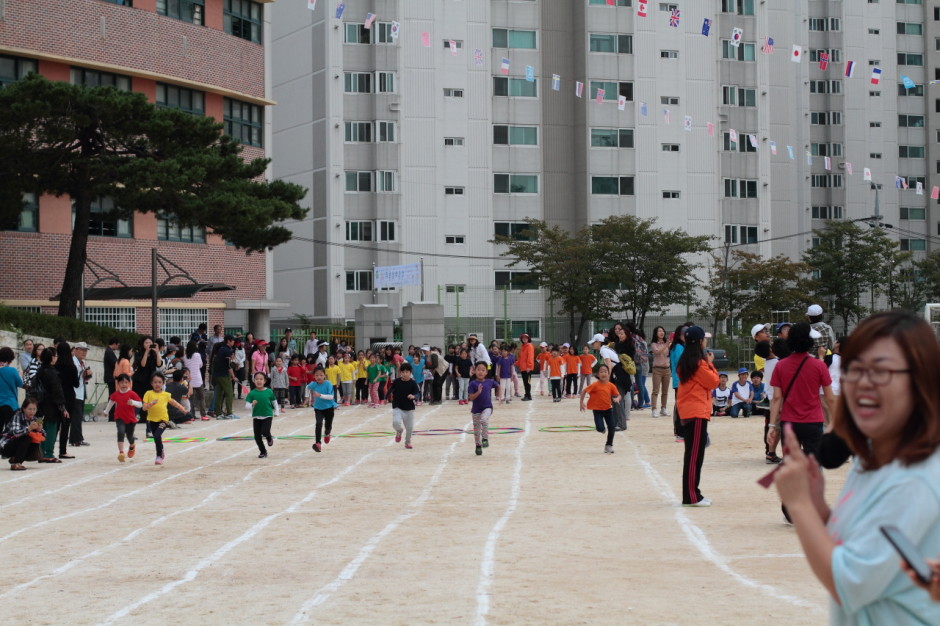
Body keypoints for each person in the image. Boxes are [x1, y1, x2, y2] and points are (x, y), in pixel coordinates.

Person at [772, 311, 940, 624]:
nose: (862, 383)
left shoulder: (914, 478)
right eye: (853, 369)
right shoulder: (873, 457)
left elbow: (848, 583)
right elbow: (854, 544)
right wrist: (818, 506)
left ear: (921, 381)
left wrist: (798, 504)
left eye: (881, 371)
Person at [766, 323, 835, 470]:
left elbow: (777, 398)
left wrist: (772, 425)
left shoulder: (781, 365)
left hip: (789, 421)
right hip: (813, 421)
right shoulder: (819, 366)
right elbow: (830, 398)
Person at [676, 326, 719, 507]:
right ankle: (691, 496)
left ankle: (694, 493)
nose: (706, 341)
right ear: (699, 341)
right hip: (696, 412)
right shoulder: (698, 364)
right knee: (694, 456)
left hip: (690, 411)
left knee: (693, 454)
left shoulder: (686, 361)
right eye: (704, 339)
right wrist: (710, 363)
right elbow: (714, 382)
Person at [142, 372, 187, 466]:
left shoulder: (166, 395)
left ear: (163, 383)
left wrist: (182, 409)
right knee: (156, 438)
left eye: (159, 382)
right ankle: (161, 450)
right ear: (151, 383)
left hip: (163, 420)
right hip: (152, 420)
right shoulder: (148, 393)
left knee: (158, 435)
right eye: (155, 382)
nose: (157, 384)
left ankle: (159, 456)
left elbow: (173, 402)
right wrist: (151, 404)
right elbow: (144, 408)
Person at [579, 363, 622, 454]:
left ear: (608, 374)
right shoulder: (595, 385)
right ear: (598, 374)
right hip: (597, 411)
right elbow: (584, 391)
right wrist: (581, 402)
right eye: (601, 372)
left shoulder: (611, 385)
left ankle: (609, 445)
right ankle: (602, 429)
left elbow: (618, 395)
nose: (603, 373)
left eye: (605, 371)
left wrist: (617, 398)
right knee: (600, 428)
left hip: (608, 410)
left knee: (612, 428)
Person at [35, 347, 68, 463]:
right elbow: (57, 391)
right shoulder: (53, 373)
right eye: (56, 356)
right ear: (52, 358)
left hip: (38, 406)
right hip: (51, 407)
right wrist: (62, 407)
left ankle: (40, 452)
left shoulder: (39, 371)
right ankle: (48, 453)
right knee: (51, 429)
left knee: (40, 428)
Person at [101, 373, 142, 462]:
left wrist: (133, 403)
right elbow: (111, 402)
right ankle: (121, 453)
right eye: (122, 382)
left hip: (130, 419)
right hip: (119, 417)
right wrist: (106, 412)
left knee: (130, 436)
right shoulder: (116, 394)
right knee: (120, 432)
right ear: (118, 384)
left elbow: (140, 404)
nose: (124, 384)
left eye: (126, 382)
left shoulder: (132, 393)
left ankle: (132, 445)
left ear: (129, 384)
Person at [0, 396, 44, 470]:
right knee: (26, 438)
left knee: (35, 441)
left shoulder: (35, 419)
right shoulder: (17, 416)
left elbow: (44, 435)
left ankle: (15, 459)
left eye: (34, 409)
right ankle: (16, 463)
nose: (32, 412)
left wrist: (40, 430)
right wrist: (29, 428)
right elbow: (15, 433)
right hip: (6, 446)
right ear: (23, 408)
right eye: (29, 409)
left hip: (17, 445)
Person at [468, 361, 499, 456]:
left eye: (483, 370)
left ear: (486, 372)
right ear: (474, 371)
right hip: (476, 409)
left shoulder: (489, 381)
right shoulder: (472, 384)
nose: (480, 372)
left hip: (487, 407)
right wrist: (478, 392)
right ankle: (478, 445)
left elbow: (498, 385)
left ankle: (485, 438)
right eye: (478, 370)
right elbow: (471, 398)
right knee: (476, 430)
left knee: (484, 419)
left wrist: (499, 395)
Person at [54, 341, 79, 456]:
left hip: (56, 396)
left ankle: (48, 450)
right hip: (69, 396)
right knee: (66, 424)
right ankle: (62, 451)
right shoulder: (72, 367)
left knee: (54, 423)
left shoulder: (54, 366)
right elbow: (76, 384)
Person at [246, 371, 278, 458]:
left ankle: (269, 438)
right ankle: (263, 451)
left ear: (264, 381)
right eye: (256, 379)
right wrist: (252, 404)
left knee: (265, 431)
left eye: (261, 379)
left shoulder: (269, 391)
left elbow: (274, 402)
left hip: (267, 415)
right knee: (257, 436)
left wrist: (276, 411)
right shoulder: (252, 393)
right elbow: (247, 406)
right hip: (256, 416)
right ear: (254, 381)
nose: (259, 381)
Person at [389, 362, 420, 449]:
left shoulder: (413, 383)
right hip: (397, 406)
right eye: (403, 372)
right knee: (395, 422)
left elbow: (418, 393)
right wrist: (385, 397)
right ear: (400, 373)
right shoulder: (397, 381)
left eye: (407, 372)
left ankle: (408, 442)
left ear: (410, 372)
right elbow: (390, 389)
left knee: (409, 428)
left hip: (409, 408)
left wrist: (414, 396)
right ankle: (399, 431)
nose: (405, 374)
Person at [132, 336, 162, 423]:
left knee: (149, 398)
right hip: (140, 380)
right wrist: (146, 352)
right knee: (140, 398)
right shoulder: (138, 353)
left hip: (150, 380)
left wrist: (157, 352)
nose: (148, 344)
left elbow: (159, 364)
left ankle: (148, 417)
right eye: (146, 343)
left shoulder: (154, 354)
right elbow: (143, 364)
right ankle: (141, 417)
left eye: (150, 343)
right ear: (143, 344)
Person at [307, 366, 337, 452]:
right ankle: (318, 443)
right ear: (314, 376)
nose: (319, 377)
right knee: (318, 423)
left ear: (324, 375)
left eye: (321, 375)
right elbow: (307, 388)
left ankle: (327, 433)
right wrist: (306, 397)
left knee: (328, 426)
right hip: (318, 408)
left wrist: (320, 395)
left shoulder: (328, 384)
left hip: (329, 408)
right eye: (316, 375)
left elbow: (331, 397)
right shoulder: (313, 384)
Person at [70, 341, 92, 446]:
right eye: (82, 350)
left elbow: (83, 378)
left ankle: (77, 438)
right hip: (75, 393)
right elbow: (74, 378)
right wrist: (83, 374)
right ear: (76, 350)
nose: (84, 352)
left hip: (80, 392)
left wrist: (87, 375)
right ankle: (76, 439)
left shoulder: (81, 362)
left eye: (85, 350)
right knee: (76, 417)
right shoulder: (73, 362)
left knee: (78, 417)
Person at [669, 324, 687, 442]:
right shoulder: (679, 347)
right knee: (681, 407)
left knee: (679, 406)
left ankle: (679, 431)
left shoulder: (677, 346)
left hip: (679, 381)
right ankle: (680, 433)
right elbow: (682, 365)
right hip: (681, 381)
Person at [212, 335, 237, 420]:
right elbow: (228, 365)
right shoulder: (227, 350)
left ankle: (218, 413)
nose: (233, 343)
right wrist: (233, 376)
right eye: (232, 341)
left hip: (217, 374)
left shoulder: (221, 349)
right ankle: (229, 412)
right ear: (229, 341)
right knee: (229, 393)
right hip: (224, 375)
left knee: (219, 394)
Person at [182, 341, 207, 420]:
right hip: (198, 379)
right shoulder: (197, 355)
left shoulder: (185, 356)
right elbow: (200, 365)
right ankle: (203, 415)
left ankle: (191, 415)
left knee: (190, 399)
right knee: (201, 398)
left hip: (189, 380)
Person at [0, 346, 23, 430]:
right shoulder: (12, 370)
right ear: (10, 358)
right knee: (10, 431)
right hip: (10, 404)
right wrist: (20, 375)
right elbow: (20, 384)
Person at [650, 326, 671, 416]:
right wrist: (666, 346)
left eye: (662, 331)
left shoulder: (668, 343)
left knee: (665, 391)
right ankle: (654, 409)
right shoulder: (654, 344)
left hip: (667, 369)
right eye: (659, 331)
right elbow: (657, 352)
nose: (661, 332)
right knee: (655, 390)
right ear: (656, 333)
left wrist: (669, 344)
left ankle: (663, 408)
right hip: (657, 369)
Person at [632, 328, 651, 408]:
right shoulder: (642, 341)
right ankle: (647, 401)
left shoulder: (639, 342)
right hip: (644, 364)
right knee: (642, 384)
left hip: (643, 365)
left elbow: (639, 354)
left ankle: (647, 402)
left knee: (641, 384)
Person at [103, 337, 119, 421]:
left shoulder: (108, 351)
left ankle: (112, 415)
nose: (118, 346)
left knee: (112, 396)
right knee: (113, 397)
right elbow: (115, 363)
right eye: (118, 344)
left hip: (110, 378)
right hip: (111, 378)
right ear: (114, 343)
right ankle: (112, 416)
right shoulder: (109, 352)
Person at [517, 333, 535, 401]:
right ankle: (527, 394)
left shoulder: (529, 346)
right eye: (523, 338)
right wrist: (516, 363)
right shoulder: (523, 346)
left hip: (528, 369)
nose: (524, 339)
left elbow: (530, 357)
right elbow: (520, 358)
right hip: (523, 368)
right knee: (525, 382)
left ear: (528, 339)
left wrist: (529, 366)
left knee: (528, 382)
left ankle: (528, 395)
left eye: (526, 338)